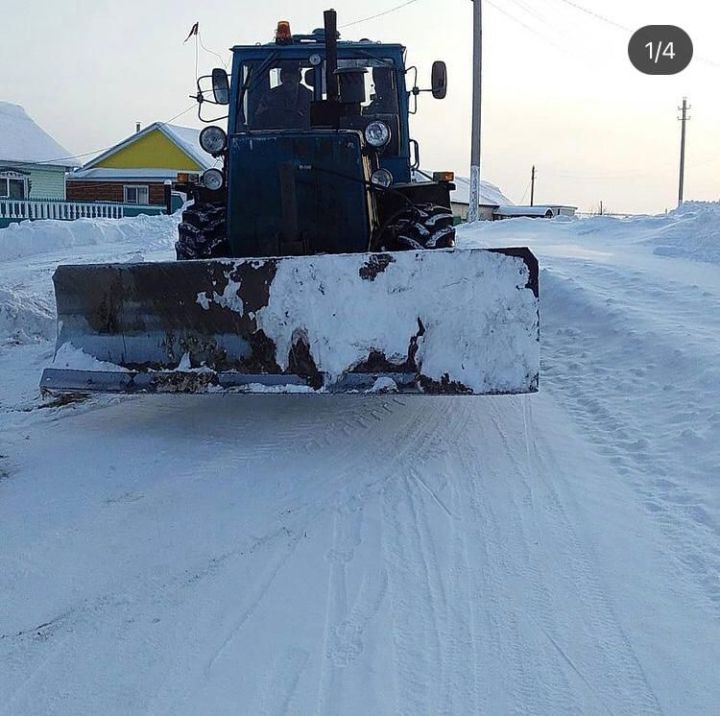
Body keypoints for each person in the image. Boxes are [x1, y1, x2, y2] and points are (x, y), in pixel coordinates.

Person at [254, 65, 313, 130]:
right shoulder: (270, 96)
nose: (288, 79)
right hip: (276, 134)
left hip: (304, 135)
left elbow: (317, 121)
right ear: (281, 79)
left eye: (292, 76)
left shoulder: (309, 96)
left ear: (299, 78)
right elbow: (258, 119)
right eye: (285, 76)